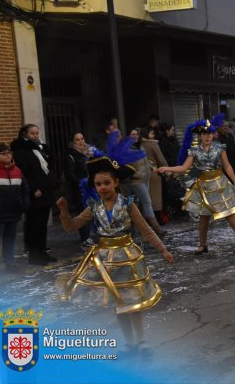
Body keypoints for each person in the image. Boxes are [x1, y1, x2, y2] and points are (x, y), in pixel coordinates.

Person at [56, 132, 173, 349]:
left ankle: (142, 339)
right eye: (98, 184)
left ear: (116, 182)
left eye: (107, 183)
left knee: (133, 303)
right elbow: (70, 227)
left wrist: (163, 249)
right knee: (117, 304)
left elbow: (146, 229)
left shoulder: (128, 203)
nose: (102, 187)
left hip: (127, 257)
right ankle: (130, 342)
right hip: (105, 261)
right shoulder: (93, 206)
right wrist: (63, 212)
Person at [157, 119, 235, 254]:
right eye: (204, 134)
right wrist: (166, 168)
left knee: (230, 214)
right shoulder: (194, 151)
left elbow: (227, 166)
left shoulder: (220, 148)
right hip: (203, 186)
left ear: (213, 135)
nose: (207, 136)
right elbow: (184, 167)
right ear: (200, 136)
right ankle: (203, 244)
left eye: (209, 134)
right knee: (204, 217)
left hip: (220, 183)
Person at [10, 124, 57, 265]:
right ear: (25, 134)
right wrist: (33, 188)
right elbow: (24, 172)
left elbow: (47, 167)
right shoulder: (20, 151)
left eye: (37, 133)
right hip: (35, 193)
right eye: (32, 133)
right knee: (33, 225)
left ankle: (42, 252)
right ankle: (34, 255)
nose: (36, 136)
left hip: (45, 190)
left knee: (42, 224)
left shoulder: (39, 149)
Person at [0, 143, 29, 271]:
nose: (8, 155)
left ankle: (10, 264)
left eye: (9, 153)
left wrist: (24, 204)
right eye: (4, 153)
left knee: (10, 240)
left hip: (13, 212)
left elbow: (25, 189)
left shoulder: (16, 170)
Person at [128, 128, 167, 237]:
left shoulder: (140, 146)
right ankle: (157, 228)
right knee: (147, 202)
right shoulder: (127, 149)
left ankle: (141, 231)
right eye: (132, 134)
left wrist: (151, 169)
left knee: (140, 205)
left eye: (136, 134)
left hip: (145, 179)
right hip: (137, 180)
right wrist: (134, 175)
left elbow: (146, 161)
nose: (135, 136)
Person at [64, 132, 94, 247]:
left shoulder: (87, 154)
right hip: (80, 189)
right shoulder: (71, 156)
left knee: (92, 211)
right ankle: (85, 238)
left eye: (82, 138)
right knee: (82, 213)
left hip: (91, 187)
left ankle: (90, 235)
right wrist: (82, 183)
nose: (81, 141)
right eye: (77, 140)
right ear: (73, 143)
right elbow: (70, 174)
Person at [140, 126, 169, 224]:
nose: (153, 135)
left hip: (141, 174)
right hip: (154, 173)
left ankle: (147, 220)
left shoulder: (138, 145)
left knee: (146, 198)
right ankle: (158, 220)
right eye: (152, 133)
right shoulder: (153, 144)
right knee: (156, 199)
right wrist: (167, 169)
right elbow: (161, 159)